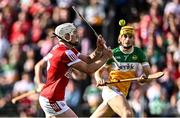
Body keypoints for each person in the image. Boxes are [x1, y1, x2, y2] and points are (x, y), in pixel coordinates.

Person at [34, 23, 112, 118]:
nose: (77, 35)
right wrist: (105, 57)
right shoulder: (65, 53)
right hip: (52, 99)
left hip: (52, 97)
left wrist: (99, 49)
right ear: (67, 36)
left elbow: (88, 59)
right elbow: (88, 69)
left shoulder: (65, 49)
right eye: (74, 32)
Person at [91, 22, 151, 118]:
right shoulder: (113, 53)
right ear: (120, 39)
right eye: (125, 36)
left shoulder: (139, 53)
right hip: (111, 89)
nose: (127, 39)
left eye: (130, 37)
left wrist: (143, 79)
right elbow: (98, 72)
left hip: (122, 93)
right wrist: (99, 79)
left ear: (133, 40)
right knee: (127, 114)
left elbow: (148, 75)